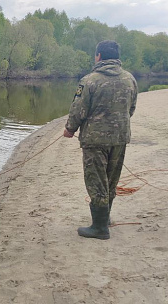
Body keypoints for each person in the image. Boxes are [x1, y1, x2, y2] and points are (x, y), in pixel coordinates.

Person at [63, 40, 138, 240]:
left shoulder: (89, 81)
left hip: (95, 140)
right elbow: (131, 108)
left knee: (96, 181)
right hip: (120, 138)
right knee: (111, 180)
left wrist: (70, 129)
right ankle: (105, 220)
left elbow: (79, 110)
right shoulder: (130, 79)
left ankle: (99, 228)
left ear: (98, 56)